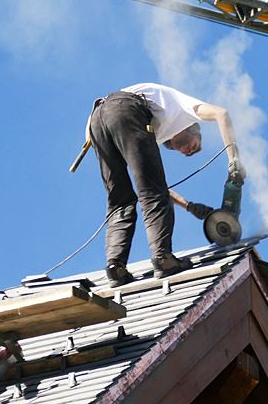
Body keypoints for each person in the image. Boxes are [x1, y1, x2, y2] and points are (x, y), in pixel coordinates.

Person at [86, 82, 244, 287]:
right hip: (124, 109)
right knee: (150, 194)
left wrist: (189, 206)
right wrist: (234, 160)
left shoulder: (155, 129)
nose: (189, 151)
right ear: (190, 128)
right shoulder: (185, 109)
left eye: (189, 152)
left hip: (96, 120)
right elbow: (222, 114)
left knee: (120, 200)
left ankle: (116, 269)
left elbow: (154, 186)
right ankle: (163, 260)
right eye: (195, 145)